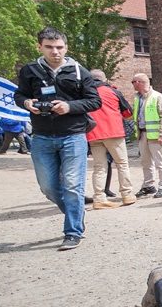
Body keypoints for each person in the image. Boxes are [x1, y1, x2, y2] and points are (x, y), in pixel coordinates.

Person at [14, 27, 102, 250]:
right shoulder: (30, 71)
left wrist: (69, 106)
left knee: (73, 185)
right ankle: (76, 214)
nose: (55, 52)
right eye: (50, 47)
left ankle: (72, 231)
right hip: (42, 136)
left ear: (66, 47)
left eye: (59, 47)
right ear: (40, 47)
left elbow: (94, 101)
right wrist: (27, 103)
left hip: (73, 135)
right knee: (48, 188)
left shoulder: (79, 71)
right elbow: (19, 95)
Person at [86, 69, 136, 209]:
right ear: (104, 79)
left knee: (99, 167)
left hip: (93, 134)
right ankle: (127, 194)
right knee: (122, 164)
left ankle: (99, 198)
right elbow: (128, 113)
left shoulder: (85, 93)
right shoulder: (112, 91)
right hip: (113, 132)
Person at [131, 73, 162, 199]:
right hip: (143, 134)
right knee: (146, 161)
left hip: (155, 135)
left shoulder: (157, 97)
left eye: (133, 82)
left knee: (161, 162)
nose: (132, 84)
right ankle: (148, 185)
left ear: (140, 82)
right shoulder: (137, 98)